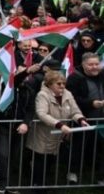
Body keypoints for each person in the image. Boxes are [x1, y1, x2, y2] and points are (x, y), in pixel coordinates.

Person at [27, 71, 88, 187]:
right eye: (58, 84)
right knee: (40, 162)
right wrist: (59, 125)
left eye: (64, 83)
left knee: (50, 161)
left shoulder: (67, 94)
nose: (62, 86)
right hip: (43, 135)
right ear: (50, 84)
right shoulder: (42, 95)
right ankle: (37, 185)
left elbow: (74, 111)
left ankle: (44, 184)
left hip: (57, 137)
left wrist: (81, 120)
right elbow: (41, 113)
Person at [65, 52, 104, 184]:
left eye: (96, 64)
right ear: (83, 64)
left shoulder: (102, 75)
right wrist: (91, 103)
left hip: (101, 118)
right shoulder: (74, 78)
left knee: (100, 148)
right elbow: (71, 99)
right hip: (82, 118)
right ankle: (73, 173)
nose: (94, 67)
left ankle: (101, 177)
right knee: (79, 147)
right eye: (91, 64)